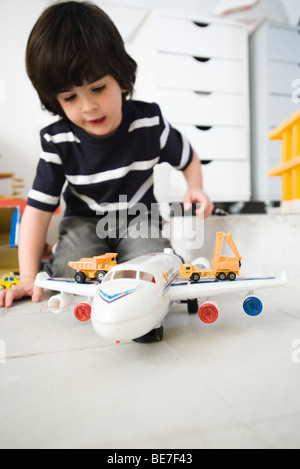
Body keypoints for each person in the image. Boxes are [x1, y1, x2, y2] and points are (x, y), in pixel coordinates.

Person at [0, 1, 213, 309]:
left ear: (121, 77)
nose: (88, 107)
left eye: (98, 88)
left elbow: (188, 156)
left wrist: (195, 187)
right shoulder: (57, 140)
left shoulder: (149, 123)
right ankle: (59, 260)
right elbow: (37, 210)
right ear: (55, 101)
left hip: (138, 219)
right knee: (70, 270)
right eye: (70, 97)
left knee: (153, 268)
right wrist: (28, 277)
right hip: (83, 222)